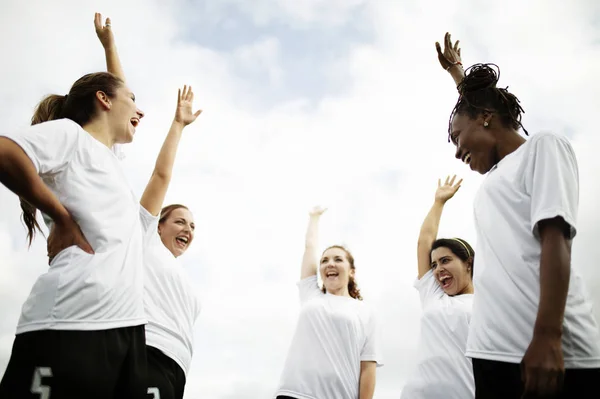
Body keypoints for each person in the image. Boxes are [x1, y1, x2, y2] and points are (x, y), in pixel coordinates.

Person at [439, 33, 600, 398]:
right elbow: (481, 105)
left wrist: (547, 336)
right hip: (491, 352)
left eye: (455, 137)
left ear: (483, 119)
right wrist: (457, 74)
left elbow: (555, 237)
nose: (456, 151)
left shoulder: (542, 148)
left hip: (543, 352)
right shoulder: (496, 177)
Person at [0, 61, 151, 399]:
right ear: (104, 100)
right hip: (71, 320)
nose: (140, 110)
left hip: (125, 329)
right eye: (132, 98)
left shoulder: (108, 158)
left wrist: (110, 47)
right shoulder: (71, 135)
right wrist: (60, 217)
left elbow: (116, 89)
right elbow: (5, 151)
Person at [95, 14, 202, 399]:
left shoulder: (183, 279)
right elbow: (160, 176)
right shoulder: (143, 236)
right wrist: (178, 125)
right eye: (180, 221)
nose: (188, 229)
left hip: (178, 367)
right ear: (158, 224)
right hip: (145, 353)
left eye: (193, 225)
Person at [274, 207, 383, 399]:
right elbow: (310, 247)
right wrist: (314, 218)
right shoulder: (311, 294)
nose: (330, 264)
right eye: (324, 261)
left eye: (338, 259)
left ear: (351, 271)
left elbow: (368, 366)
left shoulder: (365, 312)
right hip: (295, 393)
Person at [400, 175, 475, 398]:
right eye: (434, 264)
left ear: (468, 263)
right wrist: (438, 202)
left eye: (445, 261)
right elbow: (424, 241)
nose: (438, 269)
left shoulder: (488, 303)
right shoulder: (434, 295)